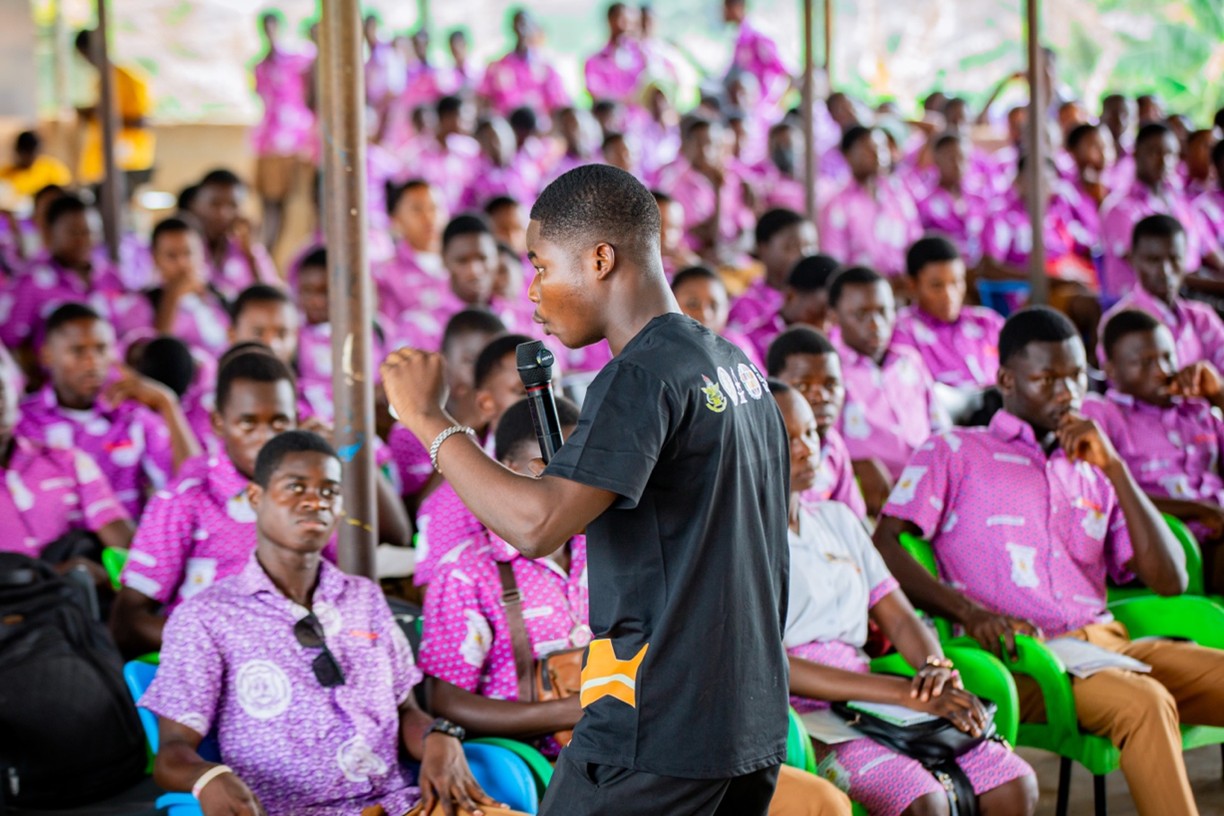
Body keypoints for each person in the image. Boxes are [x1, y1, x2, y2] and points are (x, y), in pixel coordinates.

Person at [382, 164, 790, 815]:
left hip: (658, 724)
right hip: (752, 716)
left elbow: (539, 524)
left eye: (541, 266)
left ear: (599, 259)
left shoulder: (639, 377)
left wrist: (430, 422)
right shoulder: (732, 365)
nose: (534, 294)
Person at [423, 396, 852, 816]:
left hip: (649, 744)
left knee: (820, 803)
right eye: (554, 467)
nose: (574, 483)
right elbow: (445, 698)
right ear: (510, 473)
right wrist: (572, 709)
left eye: (582, 466)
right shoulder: (467, 572)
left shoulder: (620, 543)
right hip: (545, 760)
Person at [873, 306, 1224, 816]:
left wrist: (1117, 468)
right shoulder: (955, 451)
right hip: (1023, 658)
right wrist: (970, 614)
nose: (1068, 392)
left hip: (1108, 645)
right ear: (1007, 380)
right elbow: (885, 543)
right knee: (1144, 703)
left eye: (1077, 375)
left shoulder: (1091, 465)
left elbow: (1170, 579)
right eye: (1047, 378)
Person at [140, 430, 526, 816]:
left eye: (329, 491)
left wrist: (439, 736)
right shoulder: (207, 615)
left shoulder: (364, 597)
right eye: (296, 487)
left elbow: (404, 709)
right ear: (256, 497)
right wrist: (207, 777)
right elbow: (172, 752)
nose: (314, 501)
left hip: (401, 804)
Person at [770, 379, 1036, 816]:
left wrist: (934, 671)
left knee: (1012, 783)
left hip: (868, 696)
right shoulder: (741, 543)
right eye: (788, 437)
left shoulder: (837, 520)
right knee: (922, 800)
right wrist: (902, 693)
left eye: (811, 433)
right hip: (800, 716)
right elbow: (770, 664)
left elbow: (898, 617)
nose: (806, 449)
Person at [110, 349, 299, 656]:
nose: (265, 438)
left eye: (279, 423)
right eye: (248, 424)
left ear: (296, 422)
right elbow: (126, 624)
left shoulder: (308, 495)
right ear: (218, 423)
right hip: (214, 669)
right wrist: (231, 644)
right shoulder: (185, 499)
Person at [17, 303, 199, 519]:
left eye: (101, 349)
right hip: (49, 550)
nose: (92, 361)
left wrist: (167, 404)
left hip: (125, 547)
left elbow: (192, 480)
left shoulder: (130, 416)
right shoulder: (22, 422)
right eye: (78, 350)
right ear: (47, 355)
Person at [1086, 308, 1224, 591]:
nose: (1161, 370)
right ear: (1111, 370)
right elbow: (1105, 497)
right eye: (1144, 362)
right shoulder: (1103, 415)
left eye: (1167, 356)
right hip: (1169, 538)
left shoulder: (1197, 410)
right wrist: (1196, 510)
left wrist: (1218, 395)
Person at [413, 333, 530, 587]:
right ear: (486, 404)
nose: (544, 400)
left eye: (551, 385)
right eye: (522, 391)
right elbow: (437, 594)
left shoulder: (580, 468)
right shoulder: (455, 494)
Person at [829, 266, 947, 507]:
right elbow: (824, 447)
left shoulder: (908, 361)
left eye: (883, 311)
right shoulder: (831, 372)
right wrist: (856, 465)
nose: (875, 324)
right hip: (871, 494)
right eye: (861, 314)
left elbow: (940, 428)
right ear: (834, 316)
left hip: (929, 485)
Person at [0, 367, 133, 577]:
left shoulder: (68, 462)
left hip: (76, 600)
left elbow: (122, 541)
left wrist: (109, 578)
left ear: (15, 395)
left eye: (2, 390)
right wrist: (51, 576)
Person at [387, 310, 506, 505]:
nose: (484, 374)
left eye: (495, 366)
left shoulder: (502, 422)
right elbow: (417, 512)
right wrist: (467, 426)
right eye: (472, 362)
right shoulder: (409, 433)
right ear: (444, 364)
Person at [0, 194, 138, 360]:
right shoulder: (30, 282)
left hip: (112, 375)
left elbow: (127, 331)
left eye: (89, 232)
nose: (83, 240)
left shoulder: (110, 276)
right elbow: (9, 342)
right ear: (50, 234)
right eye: (74, 233)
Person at [1096, 214, 1224, 373]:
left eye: (1174, 259)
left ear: (1186, 260)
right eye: (1153, 260)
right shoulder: (1117, 323)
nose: (1165, 271)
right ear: (1133, 260)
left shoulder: (1202, 317)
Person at [1099, 123, 1213, 300]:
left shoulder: (1179, 202)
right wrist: (1215, 285)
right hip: (1142, 303)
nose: (1164, 161)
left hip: (1189, 291)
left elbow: (1209, 248)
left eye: (1170, 154)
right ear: (1136, 155)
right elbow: (1157, 274)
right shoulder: (1120, 209)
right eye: (1154, 152)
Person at [766, 328, 867, 520]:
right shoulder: (762, 446)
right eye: (803, 386)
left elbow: (854, 520)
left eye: (831, 385)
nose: (821, 397)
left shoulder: (833, 446)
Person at [891, 236, 1003, 391]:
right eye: (937, 285)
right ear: (912, 285)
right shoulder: (903, 331)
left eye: (956, 282)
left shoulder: (987, 322)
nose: (949, 295)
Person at [819, 126, 922, 279]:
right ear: (848, 156)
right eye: (868, 149)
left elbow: (915, 242)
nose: (877, 154)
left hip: (903, 287)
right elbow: (834, 261)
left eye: (882, 148)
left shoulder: (899, 195)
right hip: (860, 292)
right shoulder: (837, 205)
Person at [251, 10, 315, 253]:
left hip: (295, 141)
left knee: (295, 206)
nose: (269, 32)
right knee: (269, 206)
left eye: (272, 26)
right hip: (268, 143)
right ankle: (265, 256)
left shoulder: (297, 60)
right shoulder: (259, 66)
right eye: (265, 27)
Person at [131, 217, 232, 359]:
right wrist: (173, 296)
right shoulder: (142, 304)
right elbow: (157, 353)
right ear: (155, 257)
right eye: (172, 256)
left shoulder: (219, 296)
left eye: (188, 253)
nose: (182, 263)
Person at [657, 117, 754, 258]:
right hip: (698, 258)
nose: (706, 151)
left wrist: (732, 251)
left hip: (732, 256)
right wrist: (718, 191)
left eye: (712, 145)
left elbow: (747, 230)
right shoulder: (677, 186)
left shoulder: (731, 180)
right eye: (699, 144)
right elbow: (710, 238)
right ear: (686, 147)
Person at [74, 29, 155, 196]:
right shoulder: (100, 80)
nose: (88, 60)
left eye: (87, 54)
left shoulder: (130, 78)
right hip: (101, 165)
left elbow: (141, 121)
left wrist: (105, 117)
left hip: (129, 162)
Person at [726, 208, 818, 338]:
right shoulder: (746, 305)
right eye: (791, 246)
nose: (804, 255)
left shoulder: (820, 301)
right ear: (763, 248)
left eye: (810, 246)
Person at [188, 169, 278, 300]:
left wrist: (250, 254)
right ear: (196, 205)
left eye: (232, 205)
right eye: (215, 204)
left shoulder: (249, 251)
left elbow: (271, 297)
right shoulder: (184, 250)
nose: (223, 213)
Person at [376, 180, 450, 331]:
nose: (429, 217)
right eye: (417, 210)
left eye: (434, 208)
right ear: (395, 220)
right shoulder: (386, 273)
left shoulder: (460, 264)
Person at [914, 133, 992, 266]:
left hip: (980, 272)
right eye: (951, 159)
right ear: (936, 160)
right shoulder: (923, 202)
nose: (958, 165)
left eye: (962, 159)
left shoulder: (980, 197)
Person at [478, 9, 570, 117]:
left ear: (534, 28)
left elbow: (559, 102)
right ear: (512, 27)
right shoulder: (497, 67)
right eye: (518, 24)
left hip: (540, 129)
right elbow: (484, 101)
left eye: (526, 24)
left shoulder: (546, 67)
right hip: (507, 128)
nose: (522, 29)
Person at [670, 265, 761, 369]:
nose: (705, 314)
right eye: (692, 304)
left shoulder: (737, 349)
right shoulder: (658, 350)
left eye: (714, 306)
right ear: (671, 304)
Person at [723, 0, 791, 113]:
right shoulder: (739, 37)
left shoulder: (758, 35)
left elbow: (784, 71)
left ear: (738, 7)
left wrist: (775, 105)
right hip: (747, 107)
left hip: (762, 105)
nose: (723, 12)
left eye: (726, 8)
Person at [585, 4, 646, 106]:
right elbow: (596, 94)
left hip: (639, 120)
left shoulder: (641, 57)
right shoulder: (594, 60)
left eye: (629, 22)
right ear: (609, 21)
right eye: (621, 20)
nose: (625, 27)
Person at [0, 130, 71, 200]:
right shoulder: (5, 173)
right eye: (24, 154)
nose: (27, 158)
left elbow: (64, 194)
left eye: (31, 153)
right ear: (17, 152)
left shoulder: (53, 169)